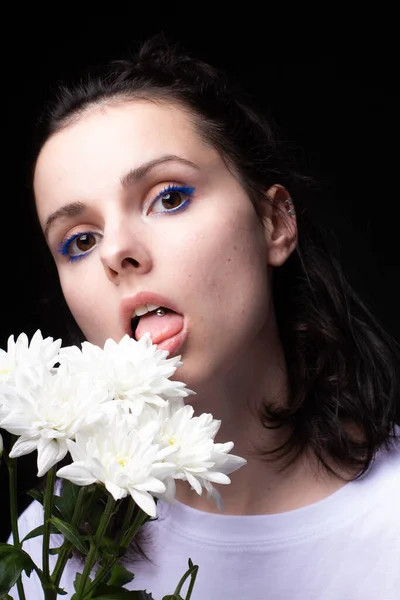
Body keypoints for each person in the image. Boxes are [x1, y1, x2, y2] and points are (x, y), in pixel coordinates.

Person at [13, 36, 400, 599]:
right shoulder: (45, 556)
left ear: (274, 223)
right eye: (79, 240)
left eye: (168, 197)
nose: (116, 252)